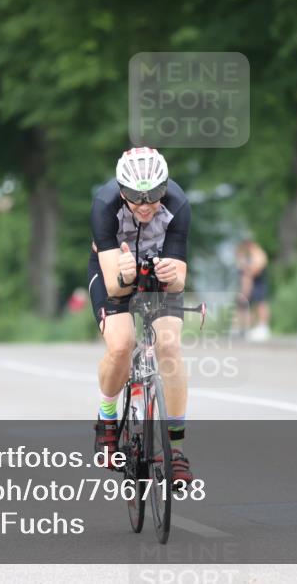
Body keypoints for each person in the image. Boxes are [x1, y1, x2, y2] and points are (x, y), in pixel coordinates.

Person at [87, 147, 194, 483]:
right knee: (121, 345)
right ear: (122, 191)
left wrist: (169, 275)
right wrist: (126, 276)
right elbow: (115, 288)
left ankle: (175, 451)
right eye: (136, 197)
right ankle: (107, 420)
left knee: (170, 350)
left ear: (165, 187)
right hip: (115, 272)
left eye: (154, 195)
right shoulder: (104, 206)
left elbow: (179, 280)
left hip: (157, 271)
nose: (146, 205)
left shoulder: (178, 205)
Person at [235, 238, 271, 341]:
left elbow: (257, 269)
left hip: (258, 283)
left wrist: (247, 269)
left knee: (261, 303)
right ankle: (248, 327)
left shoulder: (258, 253)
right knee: (248, 306)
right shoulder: (246, 255)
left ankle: (263, 326)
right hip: (250, 284)